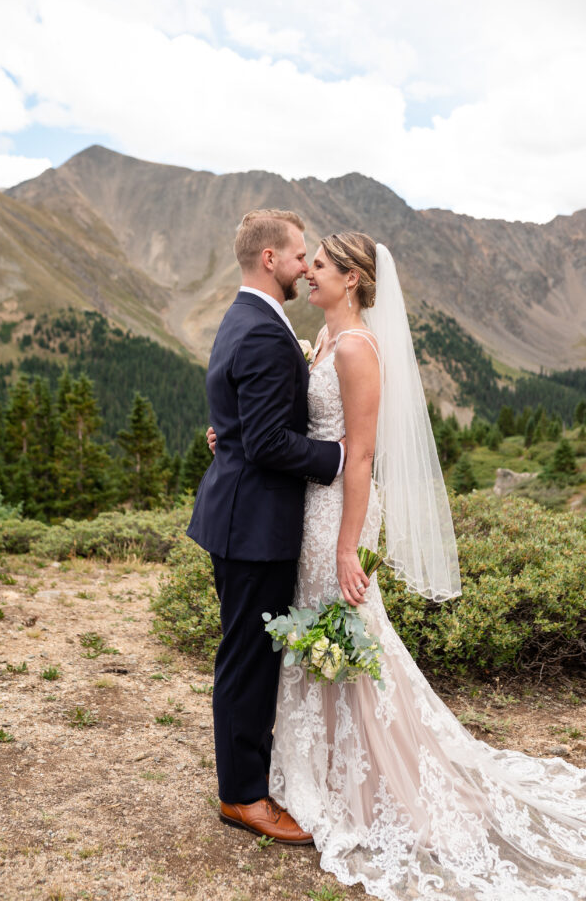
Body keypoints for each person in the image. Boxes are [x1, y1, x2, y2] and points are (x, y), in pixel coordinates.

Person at [208, 231, 586, 900]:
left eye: (320, 267)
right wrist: (235, 433)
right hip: (304, 511)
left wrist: (347, 545)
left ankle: (378, 782)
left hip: (337, 511)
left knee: (351, 632)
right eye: (304, 264)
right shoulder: (322, 342)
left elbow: (359, 456)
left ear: (353, 279)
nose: (308, 274)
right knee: (312, 640)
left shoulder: (359, 348)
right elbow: (286, 421)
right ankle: (313, 772)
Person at [187, 209, 347, 845]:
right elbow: (269, 444)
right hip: (253, 526)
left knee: (249, 655)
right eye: (300, 254)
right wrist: (340, 456)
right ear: (270, 260)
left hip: (243, 516)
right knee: (248, 661)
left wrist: (226, 436)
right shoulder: (260, 331)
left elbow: (236, 413)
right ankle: (243, 798)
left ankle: (252, 777)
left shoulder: (246, 317)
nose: (307, 265)